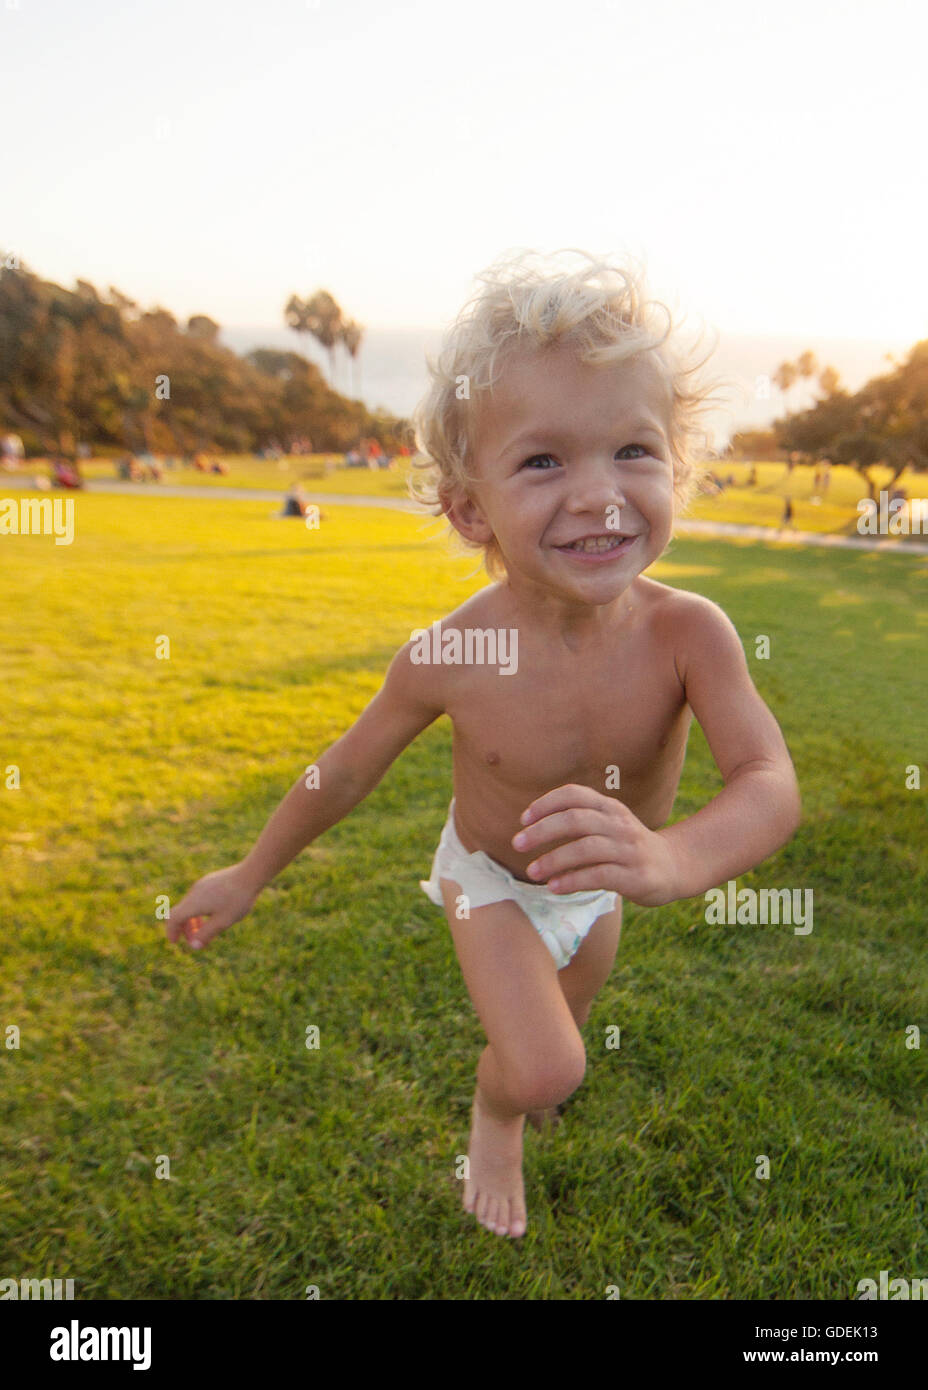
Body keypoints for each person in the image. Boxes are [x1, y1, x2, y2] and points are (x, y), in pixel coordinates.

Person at [167, 250, 801, 1241]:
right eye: (543, 461)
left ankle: (520, 1077)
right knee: (547, 1067)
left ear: (676, 467)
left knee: (566, 1030)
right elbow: (343, 770)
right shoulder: (452, 652)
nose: (597, 495)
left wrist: (673, 855)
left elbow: (768, 782)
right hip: (490, 880)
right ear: (471, 509)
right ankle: (494, 1112)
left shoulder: (692, 635)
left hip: (599, 885)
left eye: (632, 450)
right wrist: (249, 870)